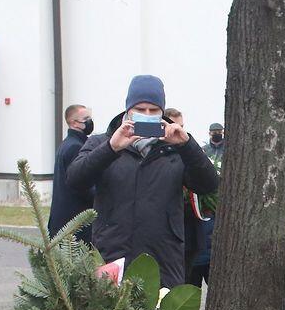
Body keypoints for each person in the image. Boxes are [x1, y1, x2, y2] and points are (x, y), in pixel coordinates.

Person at [66, 76, 219, 288]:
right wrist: (111, 148)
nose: (147, 115)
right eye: (140, 109)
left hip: (164, 258)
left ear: (162, 113)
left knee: (163, 308)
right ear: (128, 110)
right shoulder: (103, 142)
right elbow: (75, 180)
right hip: (113, 255)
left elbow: (208, 184)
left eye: (153, 110)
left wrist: (187, 146)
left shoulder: (175, 147)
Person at [186, 123, 227, 288]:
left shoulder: (228, 151)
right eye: (214, 132)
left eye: (219, 131)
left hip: (212, 243)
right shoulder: (204, 151)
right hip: (196, 249)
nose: (217, 134)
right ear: (209, 133)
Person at [47, 104, 94, 243]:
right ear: (74, 123)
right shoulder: (76, 147)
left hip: (64, 219)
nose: (90, 121)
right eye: (86, 118)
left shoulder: (67, 144)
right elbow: (81, 183)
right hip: (74, 221)